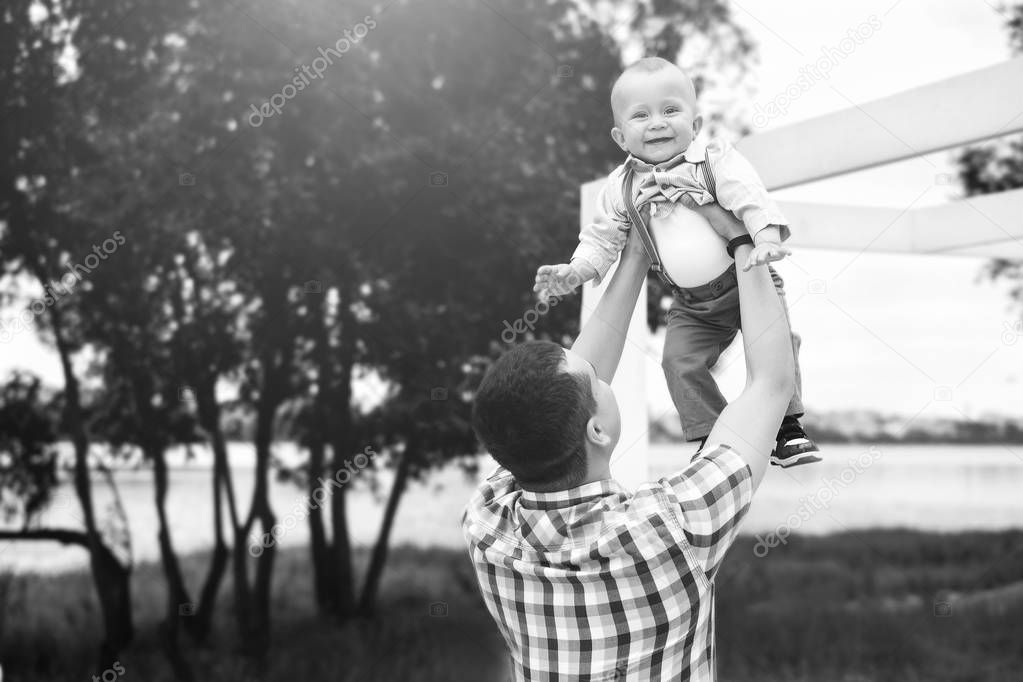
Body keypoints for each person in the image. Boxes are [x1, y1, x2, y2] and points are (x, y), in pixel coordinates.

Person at [463, 197, 798, 680]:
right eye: (598, 383)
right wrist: (743, 241)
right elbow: (771, 384)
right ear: (596, 430)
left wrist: (636, 255)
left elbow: (555, 403)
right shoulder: (672, 528)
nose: (604, 375)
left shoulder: (488, 525)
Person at [534, 56, 818, 466]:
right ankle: (712, 435)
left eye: (671, 110)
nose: (657, 123)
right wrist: (577, 270)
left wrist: (765, 239)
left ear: (696, 125)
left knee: (773, 347)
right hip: (690, 301)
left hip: (744, 276)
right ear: (620, 137)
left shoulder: (715, 162)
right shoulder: (621, 187)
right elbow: (603, 236)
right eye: (641, 115)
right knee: (677, 361)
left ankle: (787, 428)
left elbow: (749, 196)